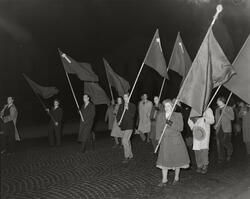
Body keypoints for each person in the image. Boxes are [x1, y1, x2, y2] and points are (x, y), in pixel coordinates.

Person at [156, 99, 190, 186]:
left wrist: (169, 122)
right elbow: (158, 128)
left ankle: (176, 178)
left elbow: (180, 128)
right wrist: (158, 139)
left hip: (176, 141)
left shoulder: (178, 115)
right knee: (164, 160)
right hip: (165, 141)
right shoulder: (160, 115)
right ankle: (164, 180)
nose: (166, 108)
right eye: (165, 106)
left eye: (168, 106)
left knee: (177, 160)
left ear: (172, 107)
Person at [188, 108, 214, 174]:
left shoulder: (208, 109)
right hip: (196, 131)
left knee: (204, 149)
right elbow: (189, 120)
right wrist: (193, 126)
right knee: (197, 150)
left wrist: (204, 119)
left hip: (205, 132)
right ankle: (199, 165)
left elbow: (212, 120)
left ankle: (205, 165)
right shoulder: (194, 109)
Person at [117, 93, 136, 163]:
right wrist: (118, 121)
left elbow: (132, 115)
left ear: (129, 98)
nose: (125, 99)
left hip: (129, 126)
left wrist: (127, 109)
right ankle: (131, 155)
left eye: (126, 97)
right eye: (124, 97)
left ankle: (126, 156)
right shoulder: (121, 106)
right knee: (127, 141)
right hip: (123, 126)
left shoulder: (132, 106)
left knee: (124, 141)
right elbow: (118, 115)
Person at [215, 97, 234, 163]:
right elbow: (217, 120)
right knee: (219, 144)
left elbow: (232, 118)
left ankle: (229, 152)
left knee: (225, 142)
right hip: (219, 129)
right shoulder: (217, 110)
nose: (216, 102)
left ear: (221, 101)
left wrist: (225, 112)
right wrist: (215, 125)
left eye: (217, 100)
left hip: (227, 129)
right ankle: (221, 157)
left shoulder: (229, 108)